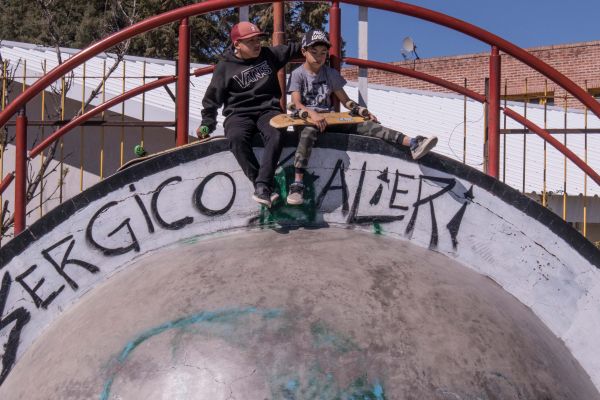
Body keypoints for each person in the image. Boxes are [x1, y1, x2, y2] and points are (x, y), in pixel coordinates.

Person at [285, 29, 438, 206]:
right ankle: (297, 183)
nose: (319, 57)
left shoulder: (329, 73)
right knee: (307, 135)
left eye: (323, 53)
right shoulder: (298, 74)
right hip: (307, 120)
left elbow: (345, 101)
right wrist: (312, 114)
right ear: (304, 51)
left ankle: (412, 143)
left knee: (368, 125)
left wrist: (361, 111)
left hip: (330, 119)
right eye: (314, 52)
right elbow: (296, 103)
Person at [198, 22, 301, 208]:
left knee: (276, 133)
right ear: (237, 44)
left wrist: (317, 45)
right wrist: (208, 122)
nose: (257, 44)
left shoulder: (269, 55)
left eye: (258, 40)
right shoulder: (225, 66)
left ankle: (263, 184)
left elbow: (296, 49)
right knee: (236, 138)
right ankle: (261, 185)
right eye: (250, 41)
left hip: (267, 110)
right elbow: (212, 98)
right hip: (239, 113)